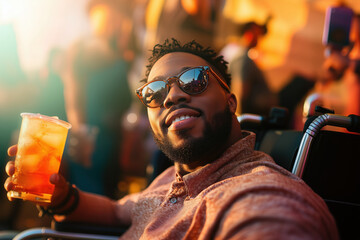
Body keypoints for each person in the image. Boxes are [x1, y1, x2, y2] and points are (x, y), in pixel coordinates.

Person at [4, 38, 338, 239]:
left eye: (193, 80)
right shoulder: (174, 178)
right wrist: (61, 196)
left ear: (231, 102)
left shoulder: (257, 195)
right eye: (155, 91)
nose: (172, 96)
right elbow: (119, 213)